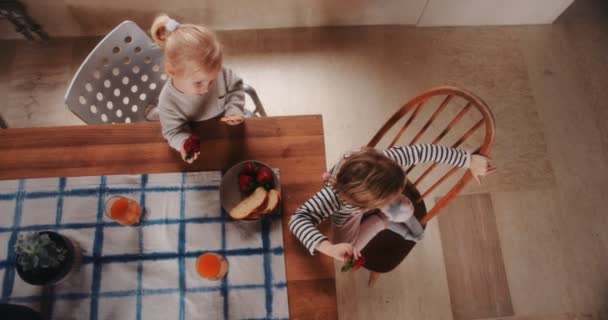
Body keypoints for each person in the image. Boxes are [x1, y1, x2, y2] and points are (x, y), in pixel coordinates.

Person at [288, 144, 494, 261]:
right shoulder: (333, 197)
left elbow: (423, 151)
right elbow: (298, 219)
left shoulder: (385, 159)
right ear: (367, 203)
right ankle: (381, 222)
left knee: (404, 210)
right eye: (391, 197)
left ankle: (388, 217)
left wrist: (467, 160)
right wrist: (329, 248)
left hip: (364, 200)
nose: (398, 196)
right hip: (347, 216)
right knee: (350, 247)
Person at [150, 14, 245, 163]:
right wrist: (184, 142)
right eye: (199, 83)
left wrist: (234, 108)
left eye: (212, 81)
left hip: (224, 130)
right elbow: (172, 132)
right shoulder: (167, 102)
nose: (206, 89)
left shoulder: (217, 72)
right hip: (203, 144)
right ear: (172, 71)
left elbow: (236, 87)